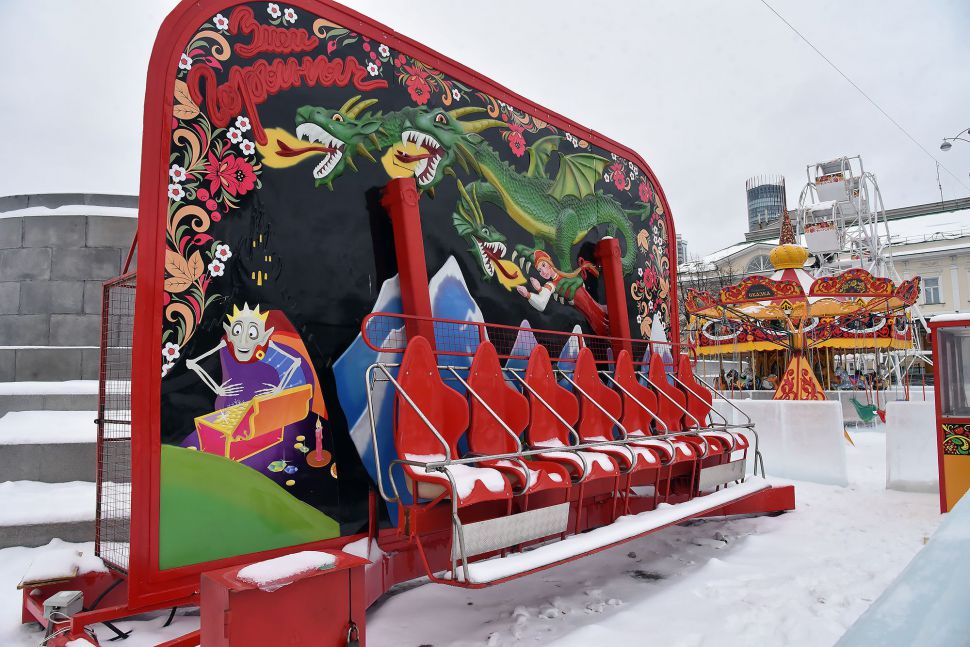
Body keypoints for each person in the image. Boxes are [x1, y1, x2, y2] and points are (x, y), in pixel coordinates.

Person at [516, 249, 609, 336]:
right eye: (539, 270)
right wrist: (528, 294)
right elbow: (541, 304)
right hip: (590, 314)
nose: (543, 272)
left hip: (596, 309)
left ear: (550, 263)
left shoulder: (565, 275)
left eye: (543, 265)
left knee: (601, 318)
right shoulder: (551, 284)